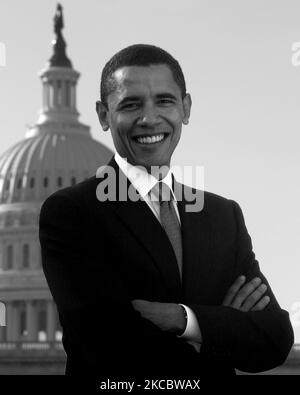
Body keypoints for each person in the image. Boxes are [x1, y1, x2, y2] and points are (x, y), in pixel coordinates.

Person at [39, 44, 294, 378]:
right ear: (104, 115)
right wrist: (222, 326)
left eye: (165, 100)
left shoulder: (222, 215)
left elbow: (274, 338)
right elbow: (107, 349)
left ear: (186, 108)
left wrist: (182, 320)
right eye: (131, 105)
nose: (149, 118)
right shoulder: (72, 212)